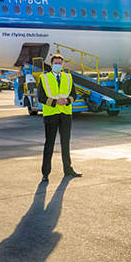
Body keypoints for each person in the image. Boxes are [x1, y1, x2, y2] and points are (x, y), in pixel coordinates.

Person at [37, 54, 82, 182]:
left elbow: (74, 95)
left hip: (66, 114)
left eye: (60, 63)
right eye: (55, 63)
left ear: (62, 65)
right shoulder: (44, 78)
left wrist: (67, 101)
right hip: (51, 115)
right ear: (51, 65)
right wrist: (55, 102)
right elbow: (41, 97)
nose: (58, 65)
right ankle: (45, 173)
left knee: (65, 143)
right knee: (49, 144)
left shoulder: (68, 77)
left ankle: (68, 170)